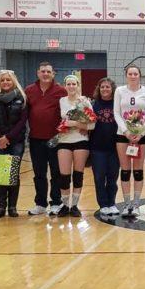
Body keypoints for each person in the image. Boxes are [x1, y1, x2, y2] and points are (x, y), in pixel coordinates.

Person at [25, 61, 67, 215]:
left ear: (53, 74)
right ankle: (40, 204)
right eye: (43, 71)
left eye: (48, 72)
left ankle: (56, 202)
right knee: (39, 173)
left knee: (56, 172)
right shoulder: (29, 90)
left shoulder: (61, 91)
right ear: (38, 73)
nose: (45, 74)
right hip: (36, 139)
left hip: (55, 139)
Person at [114, 64, 145, 217]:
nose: (132, 76)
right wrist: (126, 131)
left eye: (135, 73)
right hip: (122, 135)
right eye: (130, 73)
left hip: (140, 136)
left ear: (139, 75)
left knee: (138, 171)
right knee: (125, 171)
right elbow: (116, 113)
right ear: (126, 75)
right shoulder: (119, 90)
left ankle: (136, 204)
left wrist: (139, 132)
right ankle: (126, 204)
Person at [0, 70, 27, 218]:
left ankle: (12, 207)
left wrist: (8, 137)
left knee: (13, 174)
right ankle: (1, 207)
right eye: (3, 80)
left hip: (16, 140)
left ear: (13, 81)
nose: (5, 82)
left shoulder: (21, 97)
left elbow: (23, 121)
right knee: (1, 174)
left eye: (8, 80)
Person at [54, 75, 94, 217]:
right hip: (64, 141)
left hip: (81, 140)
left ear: (78, 85)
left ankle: (75, 205)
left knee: (78, 175)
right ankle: (65, 205)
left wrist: (75, 124)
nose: (71, 86)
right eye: (68, 84)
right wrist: (63, 126)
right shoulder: (61, 101)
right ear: (65, 86)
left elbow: (92, 124)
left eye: (74, 84)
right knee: (64, 176)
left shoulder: (84, 102)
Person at [90, 77, 120, 217]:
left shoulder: (117, 104)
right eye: (102, 87)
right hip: (97, 148)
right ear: (99, 89)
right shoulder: (93, 104)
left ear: (112, 89)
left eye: (107, 87)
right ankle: (103, 204)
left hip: (115, 147)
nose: (105, 89)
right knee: (99, 177)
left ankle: (112, 203)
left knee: (113, 177)